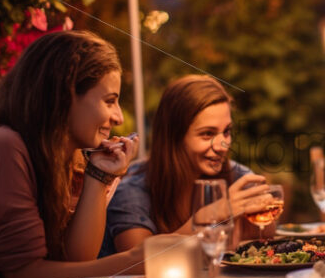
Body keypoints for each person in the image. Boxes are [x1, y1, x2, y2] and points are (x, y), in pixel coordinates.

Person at [0, 31, 143, 278]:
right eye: (109, 101)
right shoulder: (2, 148)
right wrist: (136, 259)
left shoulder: (67, 158)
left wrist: (98, 176)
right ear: (65, 94)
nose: (119, 117)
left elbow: (76, 260)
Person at [99, 75, 271, 257]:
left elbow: (265, 244)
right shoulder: (133, 188)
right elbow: (137, 261)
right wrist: (215, 213)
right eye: (207, 134)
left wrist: (264, 209)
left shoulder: (237, 177)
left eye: (226, 131)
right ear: (174, 138)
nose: (223, 145)